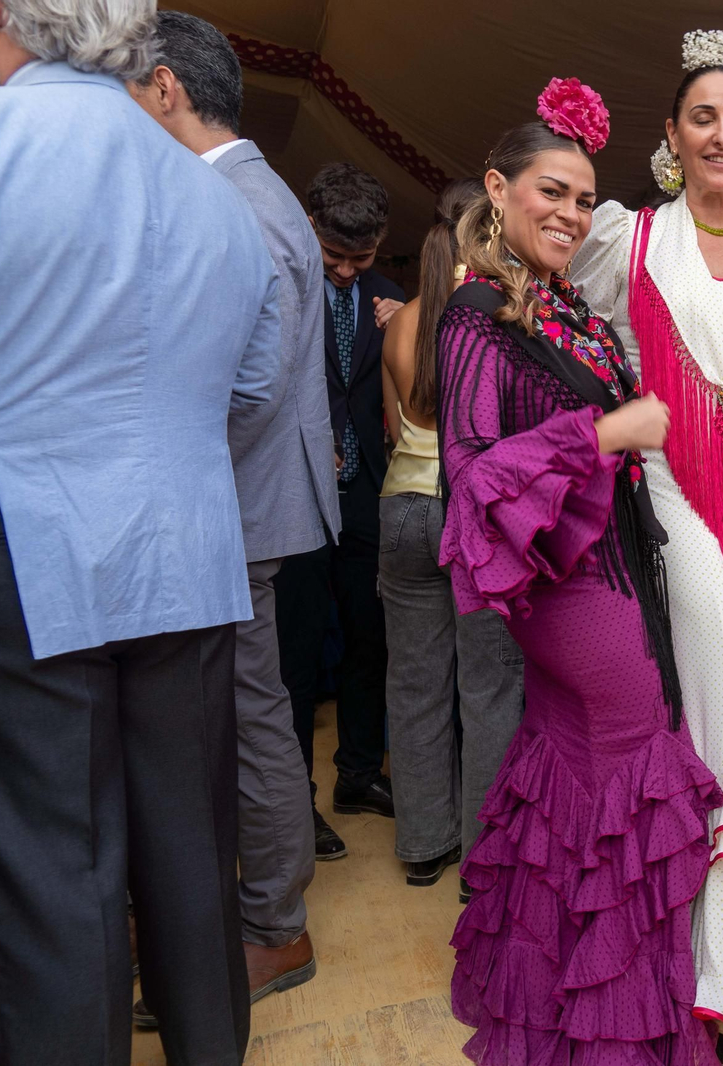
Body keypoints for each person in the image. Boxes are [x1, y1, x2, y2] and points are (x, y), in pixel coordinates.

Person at [0, 0, 282, 1061]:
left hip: (19, 537)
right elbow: (253, 381)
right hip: (188, 544)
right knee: (193, 855)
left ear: (0, 16)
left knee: (59, 872)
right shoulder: (216, 200)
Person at [438, 82, 720, 1066]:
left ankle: (565, 1023)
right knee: (633, 782)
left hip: (610, 571)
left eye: (582, 198)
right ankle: (629, 1036)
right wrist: (606, 429)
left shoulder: (558, 305)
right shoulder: (477, 317)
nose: (567, 212)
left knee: (575, 791)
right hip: (569, 595)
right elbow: (471, 480)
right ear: (498, 190)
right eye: (549, 191)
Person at [570, 29, 723, 1039]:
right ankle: (701, 966)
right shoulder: (625, 240)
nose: (721, 133)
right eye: (703, 116)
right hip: (666, 500)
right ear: (672, 135)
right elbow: (557, 328)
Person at [126, 9, 336, 1021]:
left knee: (253, 721)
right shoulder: (250, 191)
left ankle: (272, 922)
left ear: (165, 87)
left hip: (240, 502)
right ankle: (252, 904)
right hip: (251, 502)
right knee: (249, 714)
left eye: (130, 93)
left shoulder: (242, 203)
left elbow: (248, 391)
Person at [380, 179, 525, 896]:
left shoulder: (402, 322)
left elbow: (391, 429)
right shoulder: (494, 314)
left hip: (402, 509)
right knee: (489, 688)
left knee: (413, 684)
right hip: (472, 514)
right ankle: (484, 861)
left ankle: (421, 844)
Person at [275, 162, 407, 858]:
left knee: (370, 637)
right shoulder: (282, 284)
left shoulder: (391, 297)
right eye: (336, 259)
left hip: (367, 493)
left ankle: (357, 774)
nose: (350, 273)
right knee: (295, 652)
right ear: (309, 229)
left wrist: (404, 333)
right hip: (297, 487)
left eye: (363, 259)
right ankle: (293, 805)